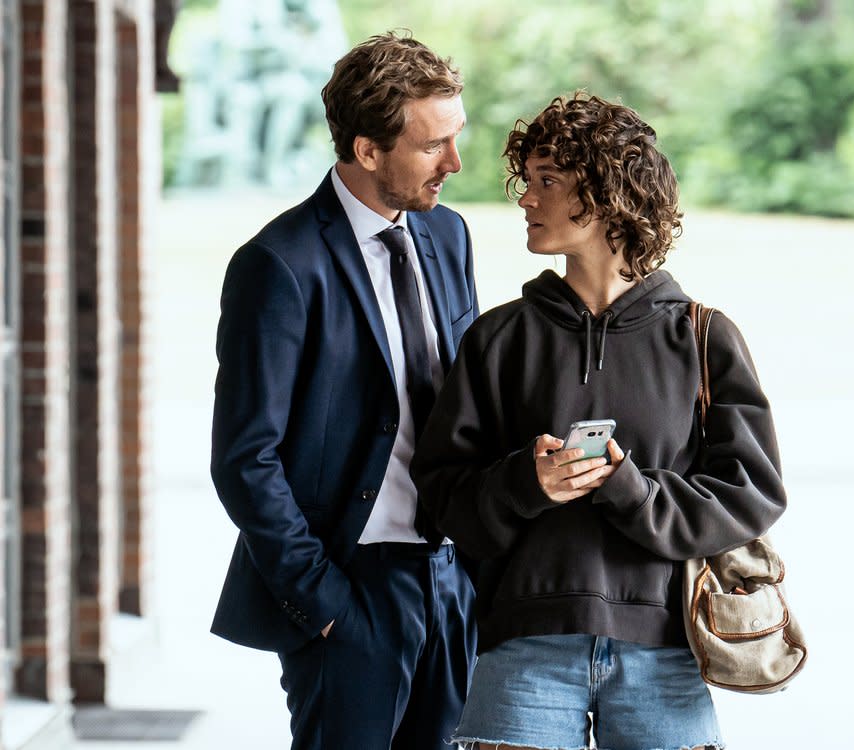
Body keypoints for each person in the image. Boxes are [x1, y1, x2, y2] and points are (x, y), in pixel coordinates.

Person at [410, 93, 787, 750]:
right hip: (524, 654)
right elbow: (444, 497)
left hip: (666, 654)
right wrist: (529, 483)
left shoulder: (703, 338)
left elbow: (751, 494)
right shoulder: (497, 338)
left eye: (547, 181)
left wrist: (629, 489)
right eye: (526, 181)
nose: (526, 199)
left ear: (609, 193)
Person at [210, 32, 479, 750]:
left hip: (451, 579)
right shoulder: (278, 265)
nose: (455, 163)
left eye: (456, 138)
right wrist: (324, 603)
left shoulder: (448, 236)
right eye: (433, 147)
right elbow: (245, 457)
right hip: (349, 588)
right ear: (367, 150)